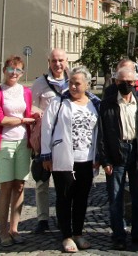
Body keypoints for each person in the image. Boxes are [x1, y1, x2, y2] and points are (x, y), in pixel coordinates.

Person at [40, 66, 101, 253]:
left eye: (77, 83)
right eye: (71, 83)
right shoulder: (59, 102)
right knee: (65, 197)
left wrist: (98, 155)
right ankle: (66, 236)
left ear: (87, 84)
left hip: (87, 159)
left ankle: (78, 233)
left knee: (82, 198)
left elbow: (100, 131)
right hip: (64, 158)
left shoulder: (95, 103)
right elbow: (47, 128)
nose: (73, 87)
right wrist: (46, 154)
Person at [97, 59, 138, 250]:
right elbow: (101, 135)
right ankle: (118, 235)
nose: (126, 85)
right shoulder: (107, 104)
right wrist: (105, 160)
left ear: (135, 82)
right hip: (116, 154)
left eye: (130, 82)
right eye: (122, 82)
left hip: (137, 153)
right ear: (116, 82)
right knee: (115, 198)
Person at [0, 56, 35, 247]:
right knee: (6, 186)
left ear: (22, 73)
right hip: (5, 142)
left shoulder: (26, 91)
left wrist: (33, 116)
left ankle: (15, 229)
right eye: (10, 70)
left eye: (18, 71)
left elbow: (28, 112)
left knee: (20, 185)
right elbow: (1, 120)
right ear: (4, 70)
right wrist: (23, 120)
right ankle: (3, 231)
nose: (14, 74)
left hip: (23, 142)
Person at [30, 47, 69, 234]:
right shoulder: (40, 83)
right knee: (42, 181)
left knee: (64, 181)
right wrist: (41, 114)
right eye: (54, 61)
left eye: (61, 60)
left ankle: (63, 217)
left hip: (65, 140)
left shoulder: (73, 82)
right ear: (49, 63)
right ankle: (42, 219)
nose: (57, 64)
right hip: (44, 137)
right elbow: (31, 106)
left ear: (67, 62)